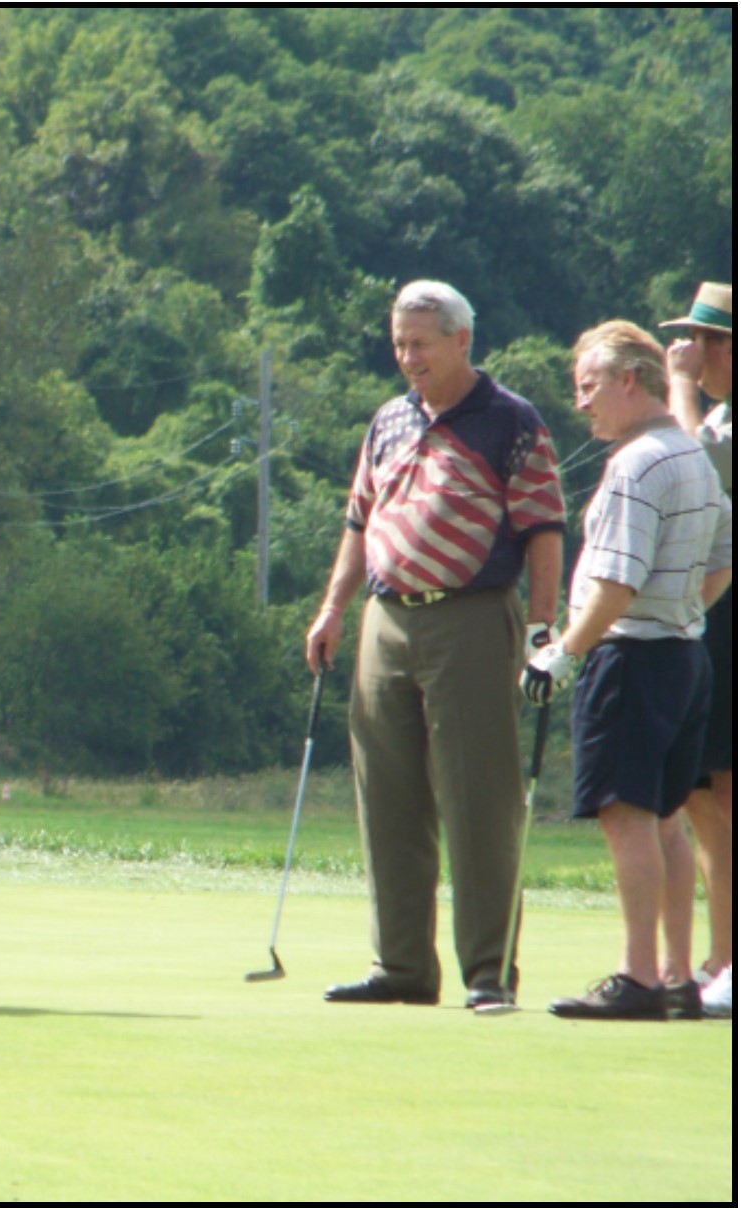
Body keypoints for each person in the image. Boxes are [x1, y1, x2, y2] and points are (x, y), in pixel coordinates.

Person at [306, 280, 565, 1010]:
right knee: (385, 795)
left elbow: (544, 533)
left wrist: (543, 634)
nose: (406, 356)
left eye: (420, 342)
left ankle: (489, 972)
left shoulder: (510, 421)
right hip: (386, 619)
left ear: (461, 340)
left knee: (478, 796)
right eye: (398, 343)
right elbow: (360, 523)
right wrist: (332, 610)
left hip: (474, 616)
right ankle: (403, 969)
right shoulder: (388, 419)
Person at [525, 322, 733, 1020]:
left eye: (589, 387)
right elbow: (720, 567)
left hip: (633, 655)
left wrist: (564, 652)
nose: (582, 404)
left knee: (628, 816)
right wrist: (675, 615)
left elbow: (615, 582)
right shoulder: (693, 454)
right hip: (684, 654)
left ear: (628, 380)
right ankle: (675, 974)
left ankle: (639, 976)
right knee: (668, 816)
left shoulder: (637, 463)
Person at [661, 282, 735, 1020]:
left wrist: (677, 387)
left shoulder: (714, 421)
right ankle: (722, 955)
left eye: (707, 340)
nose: (694, 352)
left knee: (724, 792)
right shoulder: (717, 415)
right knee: (704, 792)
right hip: (714, 618)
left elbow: (697, 480)